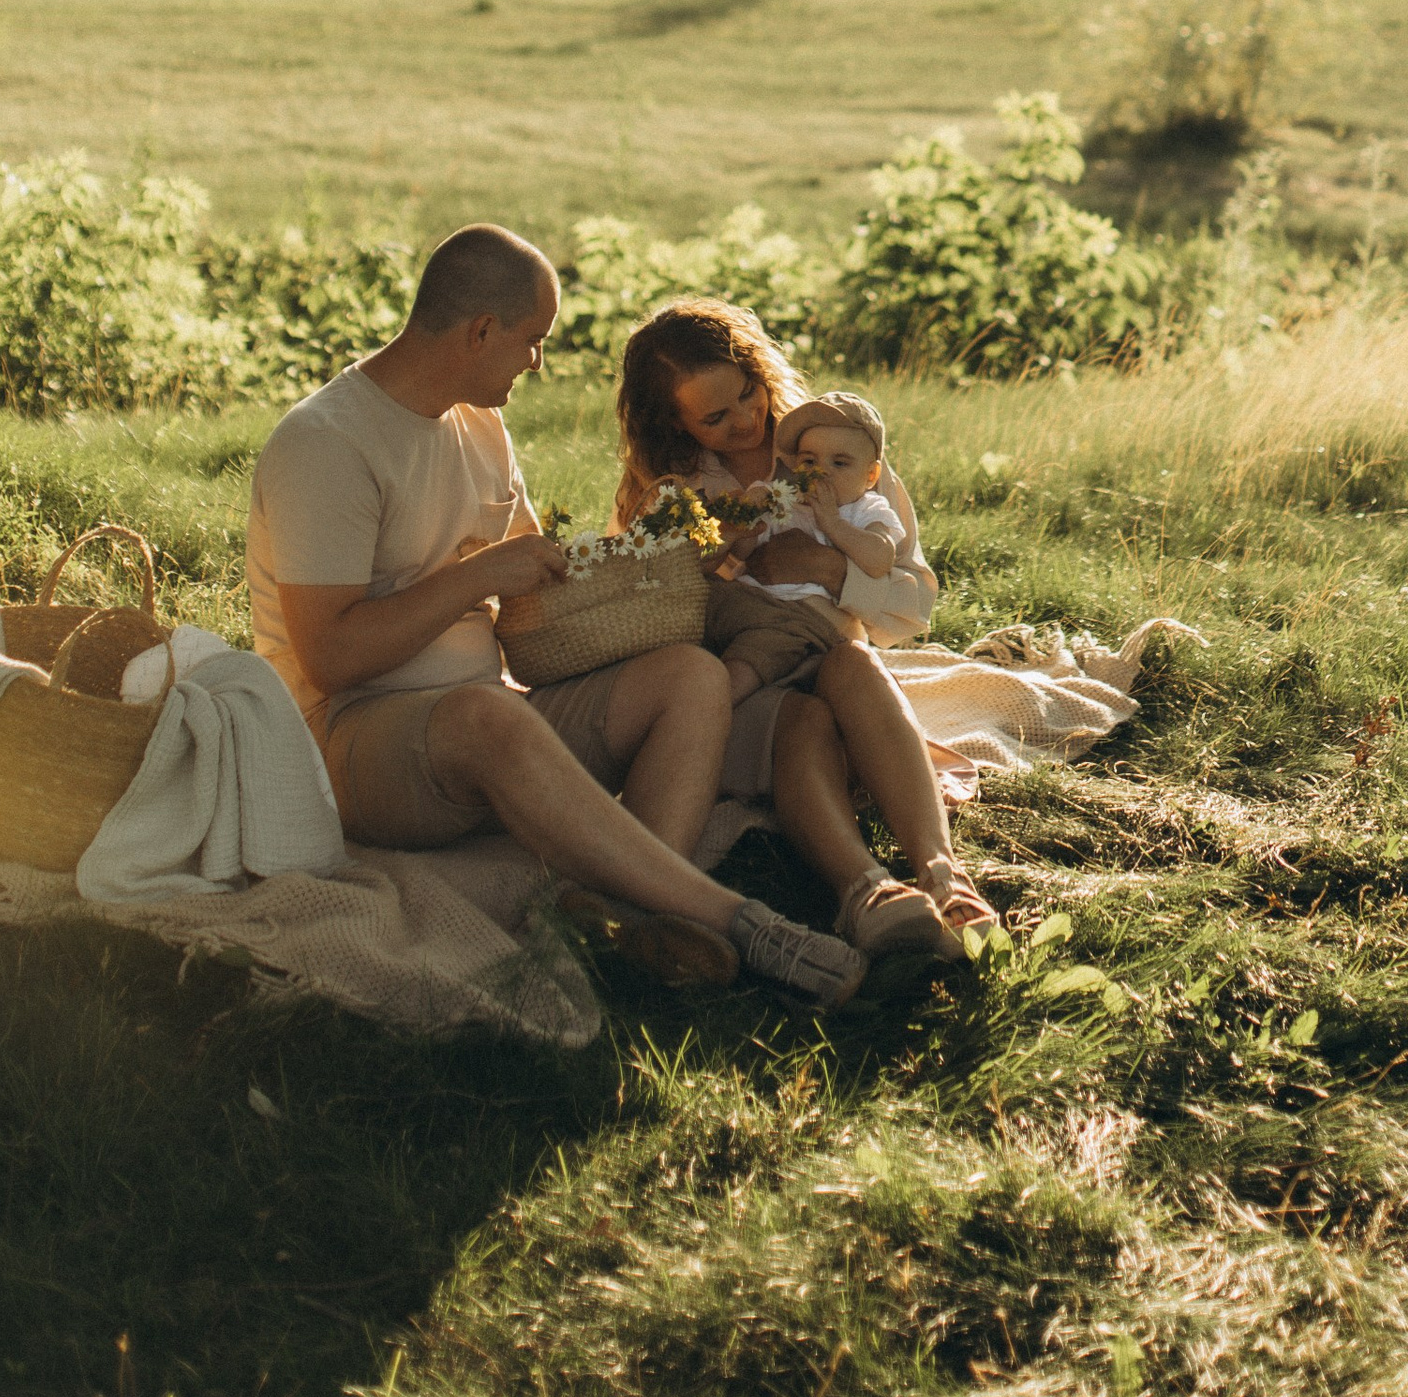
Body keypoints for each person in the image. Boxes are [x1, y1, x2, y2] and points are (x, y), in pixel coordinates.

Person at [248, 222, 863, 1008]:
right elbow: (329, 657)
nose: (537, 362)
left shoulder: (479, 424)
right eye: (531, 341)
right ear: (480, 332)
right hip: (351, 740)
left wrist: (675, 547)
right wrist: (479, 576)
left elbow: (539, 574)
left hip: (491, 717)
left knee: (688, 677)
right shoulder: (327, 445)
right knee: (486, 716)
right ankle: (737, 922)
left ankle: (631, 916)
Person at [614, 301, 1000, 971]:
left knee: (853, 665)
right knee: (801, 717)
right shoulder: (673, 495)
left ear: (758, 371)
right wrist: (709, 559)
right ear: (672, 423)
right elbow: (640, 608)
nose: (746, 418)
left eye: (748, 392)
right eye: (716, 417)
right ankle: (866, 890)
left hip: (835, 660)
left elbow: (913, 606)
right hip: (742, 685)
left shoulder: (833, 450)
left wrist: (829, 568)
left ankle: (944, 876)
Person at [703, 390, 911, 706]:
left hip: (798, 617)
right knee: (703, 598)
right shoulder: (783, 500)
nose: (821, 471)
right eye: (809, 461)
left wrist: (833, 524)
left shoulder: (866, 509)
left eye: (839, 463)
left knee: (756, 654)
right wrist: (741, 526)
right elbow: (744, 553)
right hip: (747, 597)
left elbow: (880, 559)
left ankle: (711, 705)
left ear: (870, 475)